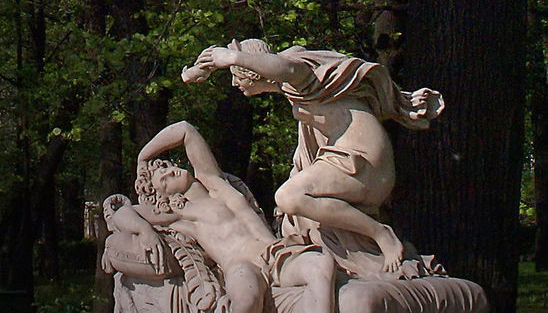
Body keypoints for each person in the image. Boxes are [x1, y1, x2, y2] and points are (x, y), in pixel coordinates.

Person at [109, 120, 336, 313]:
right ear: (164, 198)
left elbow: (185, 130)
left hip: (274, 255)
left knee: (321, 266)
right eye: (161, 175)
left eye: (168, 165)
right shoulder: (179, 214)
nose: (168, 169)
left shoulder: (216, 183)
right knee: (245, 302)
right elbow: (121, 211)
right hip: (240, 266)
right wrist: (144, 229)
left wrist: (144, 156)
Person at [181, 41, 443, 272]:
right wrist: (205, 67)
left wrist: (232, 57)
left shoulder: (298, 73)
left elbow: (285, 68)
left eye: (237, 76)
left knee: (289, 197)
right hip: (348, 156)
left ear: (254, 71)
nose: (234, 83)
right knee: (292, 218)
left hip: (362, 158)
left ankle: (382, 234)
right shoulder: (293, 91)